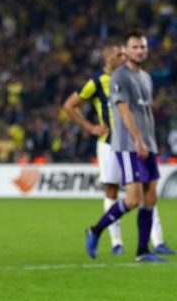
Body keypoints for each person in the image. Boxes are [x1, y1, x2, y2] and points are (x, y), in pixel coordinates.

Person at [65, 44, 170, 256]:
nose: (123, 56)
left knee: (148, 191)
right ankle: (116, 242)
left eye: (124, 53)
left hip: (135, 141)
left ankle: (156, 241)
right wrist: (89, 127)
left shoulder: (132, 77)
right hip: (110, 142)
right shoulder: (97, 81)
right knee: (115, 191)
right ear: (107, 58)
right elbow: (69, 105)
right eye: (118, 54)